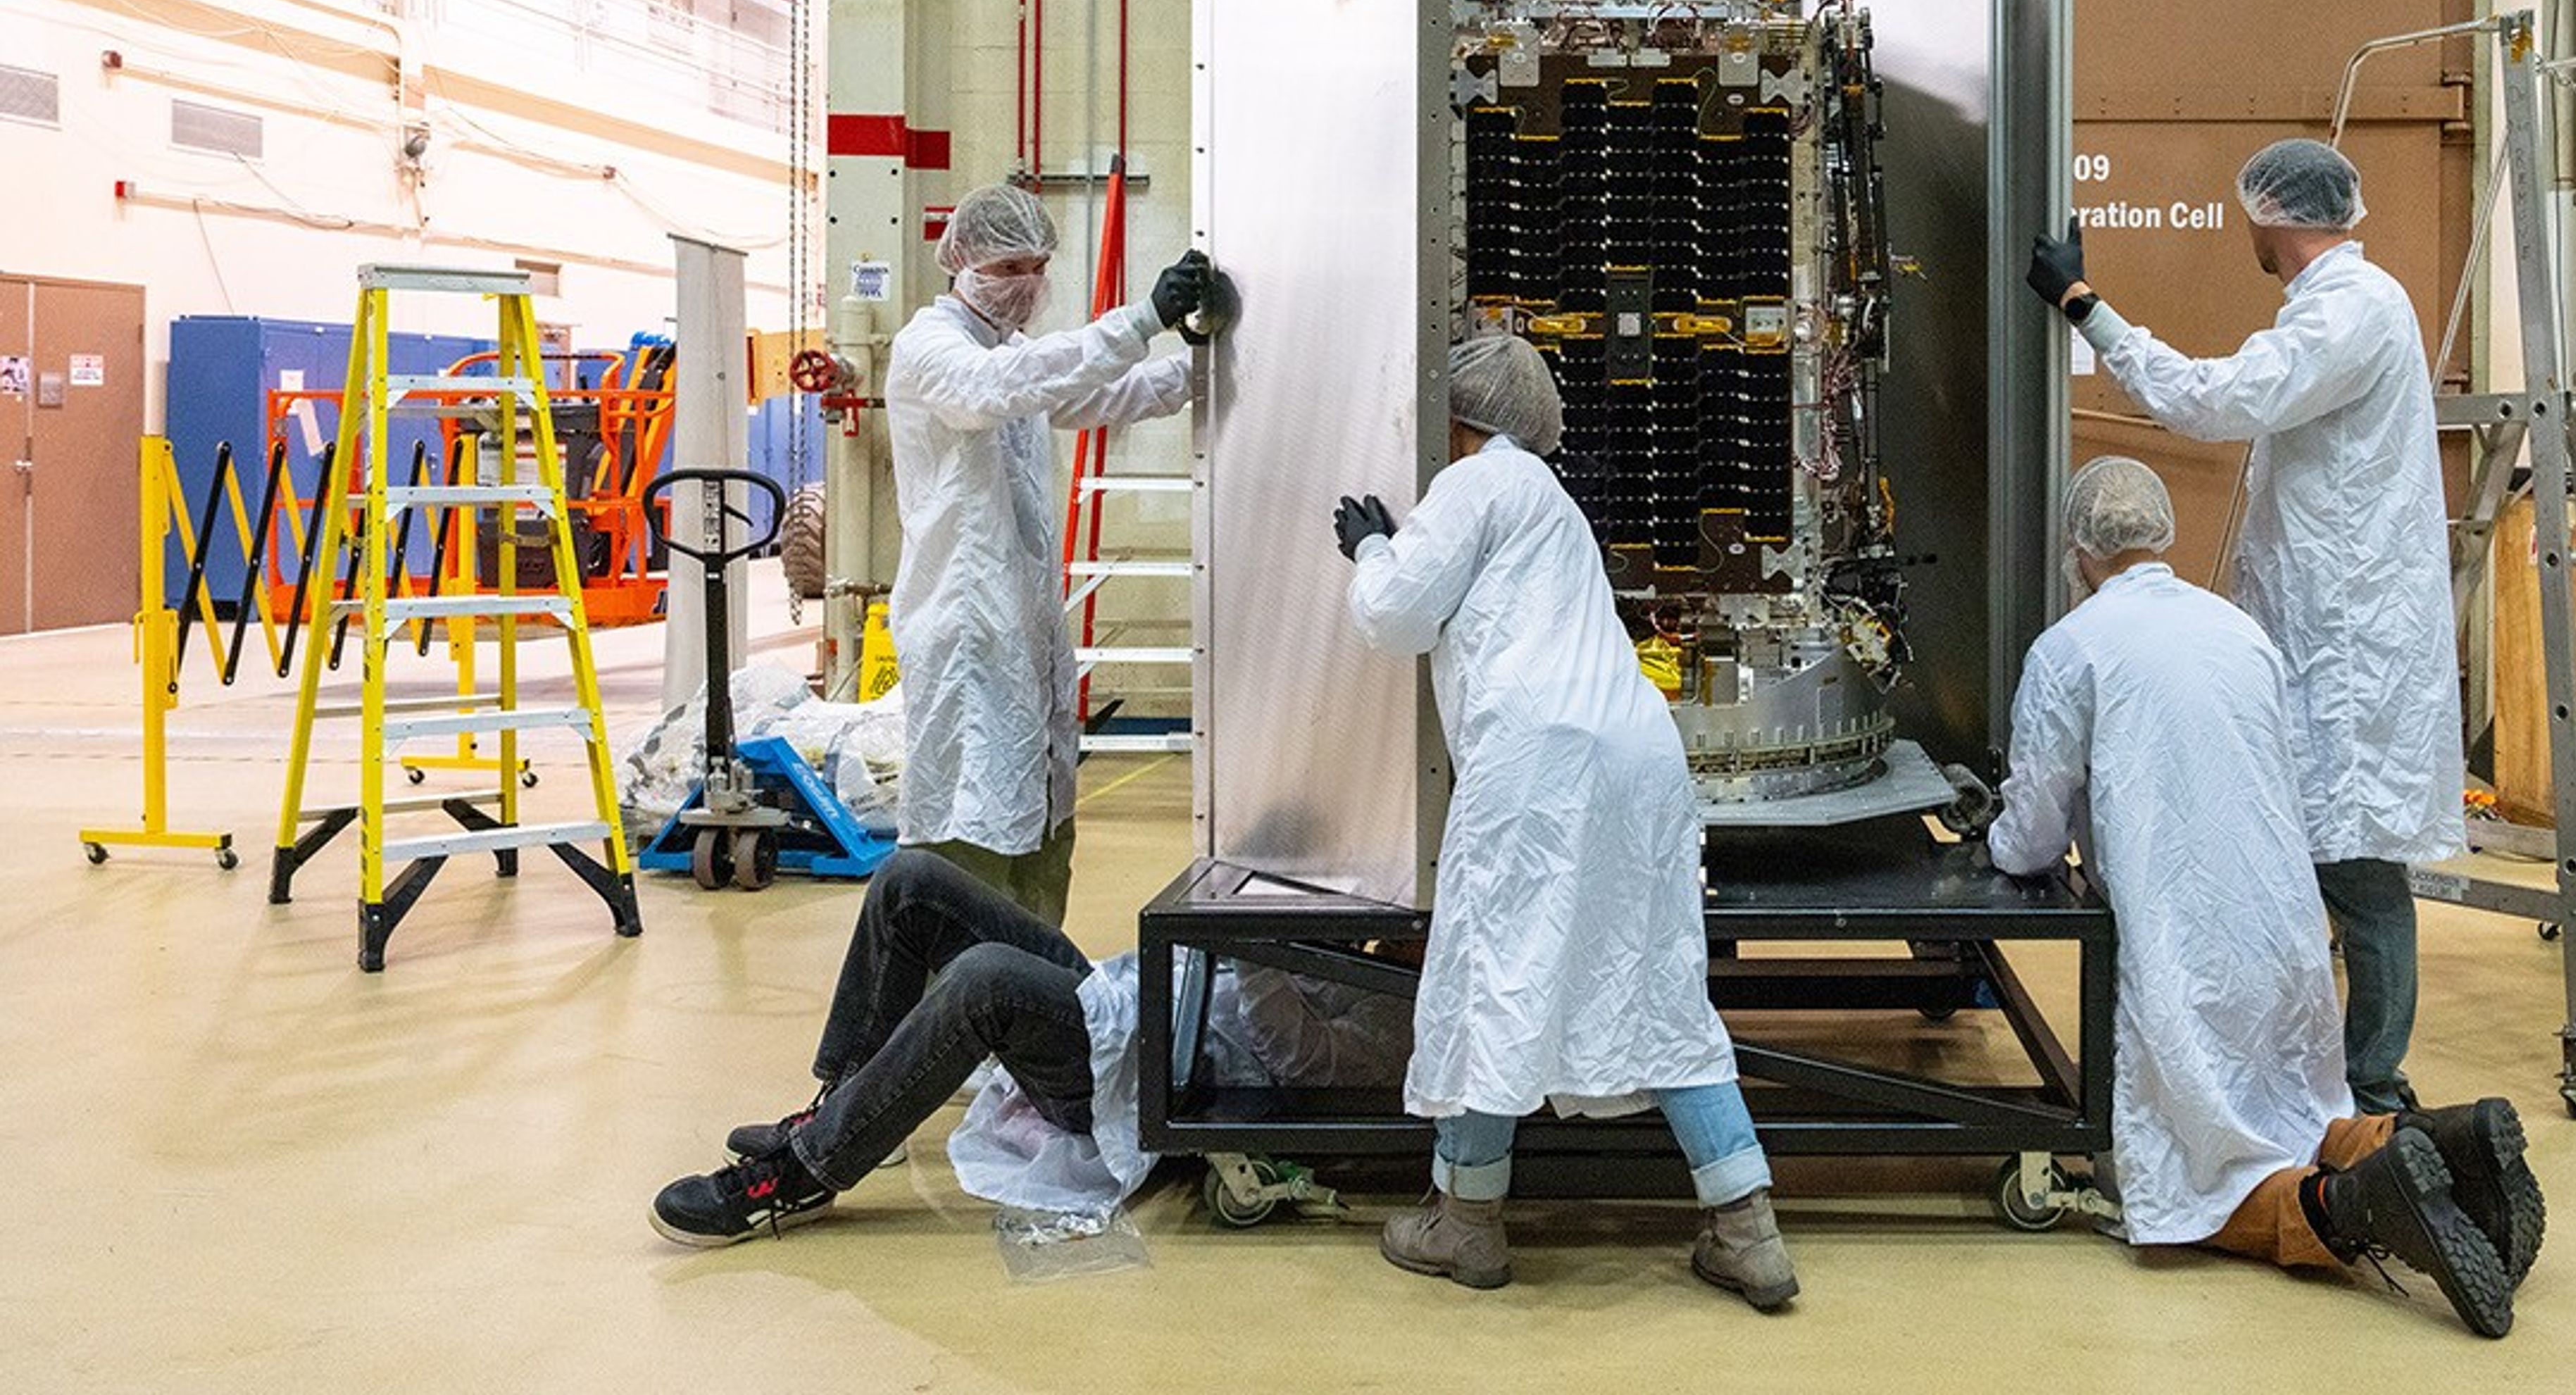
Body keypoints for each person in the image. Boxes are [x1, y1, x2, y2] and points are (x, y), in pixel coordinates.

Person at [1995, 456, 2540, 1338]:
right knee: (2294, 1103)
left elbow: (2030, 832)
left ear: (2078, 548)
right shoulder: (2237, 630)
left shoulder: (2071, 648)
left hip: (2184, 949)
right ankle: (2424, 1145)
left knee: (2188, 1178)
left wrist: (1990, 838)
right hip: (2284, 935)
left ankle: (2340, 1210)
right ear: (2160, 531)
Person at [1330, 333, 1798, 1311]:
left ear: (1463, 417)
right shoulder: (1555, 502)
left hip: (1538, 766)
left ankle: (1466, 1221)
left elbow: (1394, 617)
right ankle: (1746, 1226)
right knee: (1658, 978)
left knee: (1493, 973)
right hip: (1636, 755)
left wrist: (1372, 544)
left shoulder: (1477, 483)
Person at [2025, 139, 2463, 1115]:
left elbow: (2213, 402)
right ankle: (2320, 1066)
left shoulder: (2349, 312)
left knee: (2356, 862)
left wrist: (2084, 308)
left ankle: (2373, 1083)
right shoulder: (2332, 309)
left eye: (2245, 217)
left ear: (2269, 216)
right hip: (2325, 628)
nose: (2241, 232)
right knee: (2315, 850)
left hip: (2350, 642)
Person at [648, 850, 1413, 1246]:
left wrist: (1256, 938)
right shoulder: (1386, 923)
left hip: (1146, 1082)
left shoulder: (1407, 1011)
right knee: (910, 883)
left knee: (986, 981)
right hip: (1133, 1010)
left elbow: (1302, 1063)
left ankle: (800, 1175)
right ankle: (841, 1110)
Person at [882, 182, 1211, 922]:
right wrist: (1143, 318)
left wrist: (1202, 365)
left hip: (1023, 635)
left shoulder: (1015, 354)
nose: (1027, 285)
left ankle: (1028, 1018)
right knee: (971, 841)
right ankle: (963, 1023)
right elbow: (999, 387)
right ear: (958, 259)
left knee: (1038, 831)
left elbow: (1104, 395)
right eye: (1007, 269)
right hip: (966, 638)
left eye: (1037, 266)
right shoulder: (932, 351)